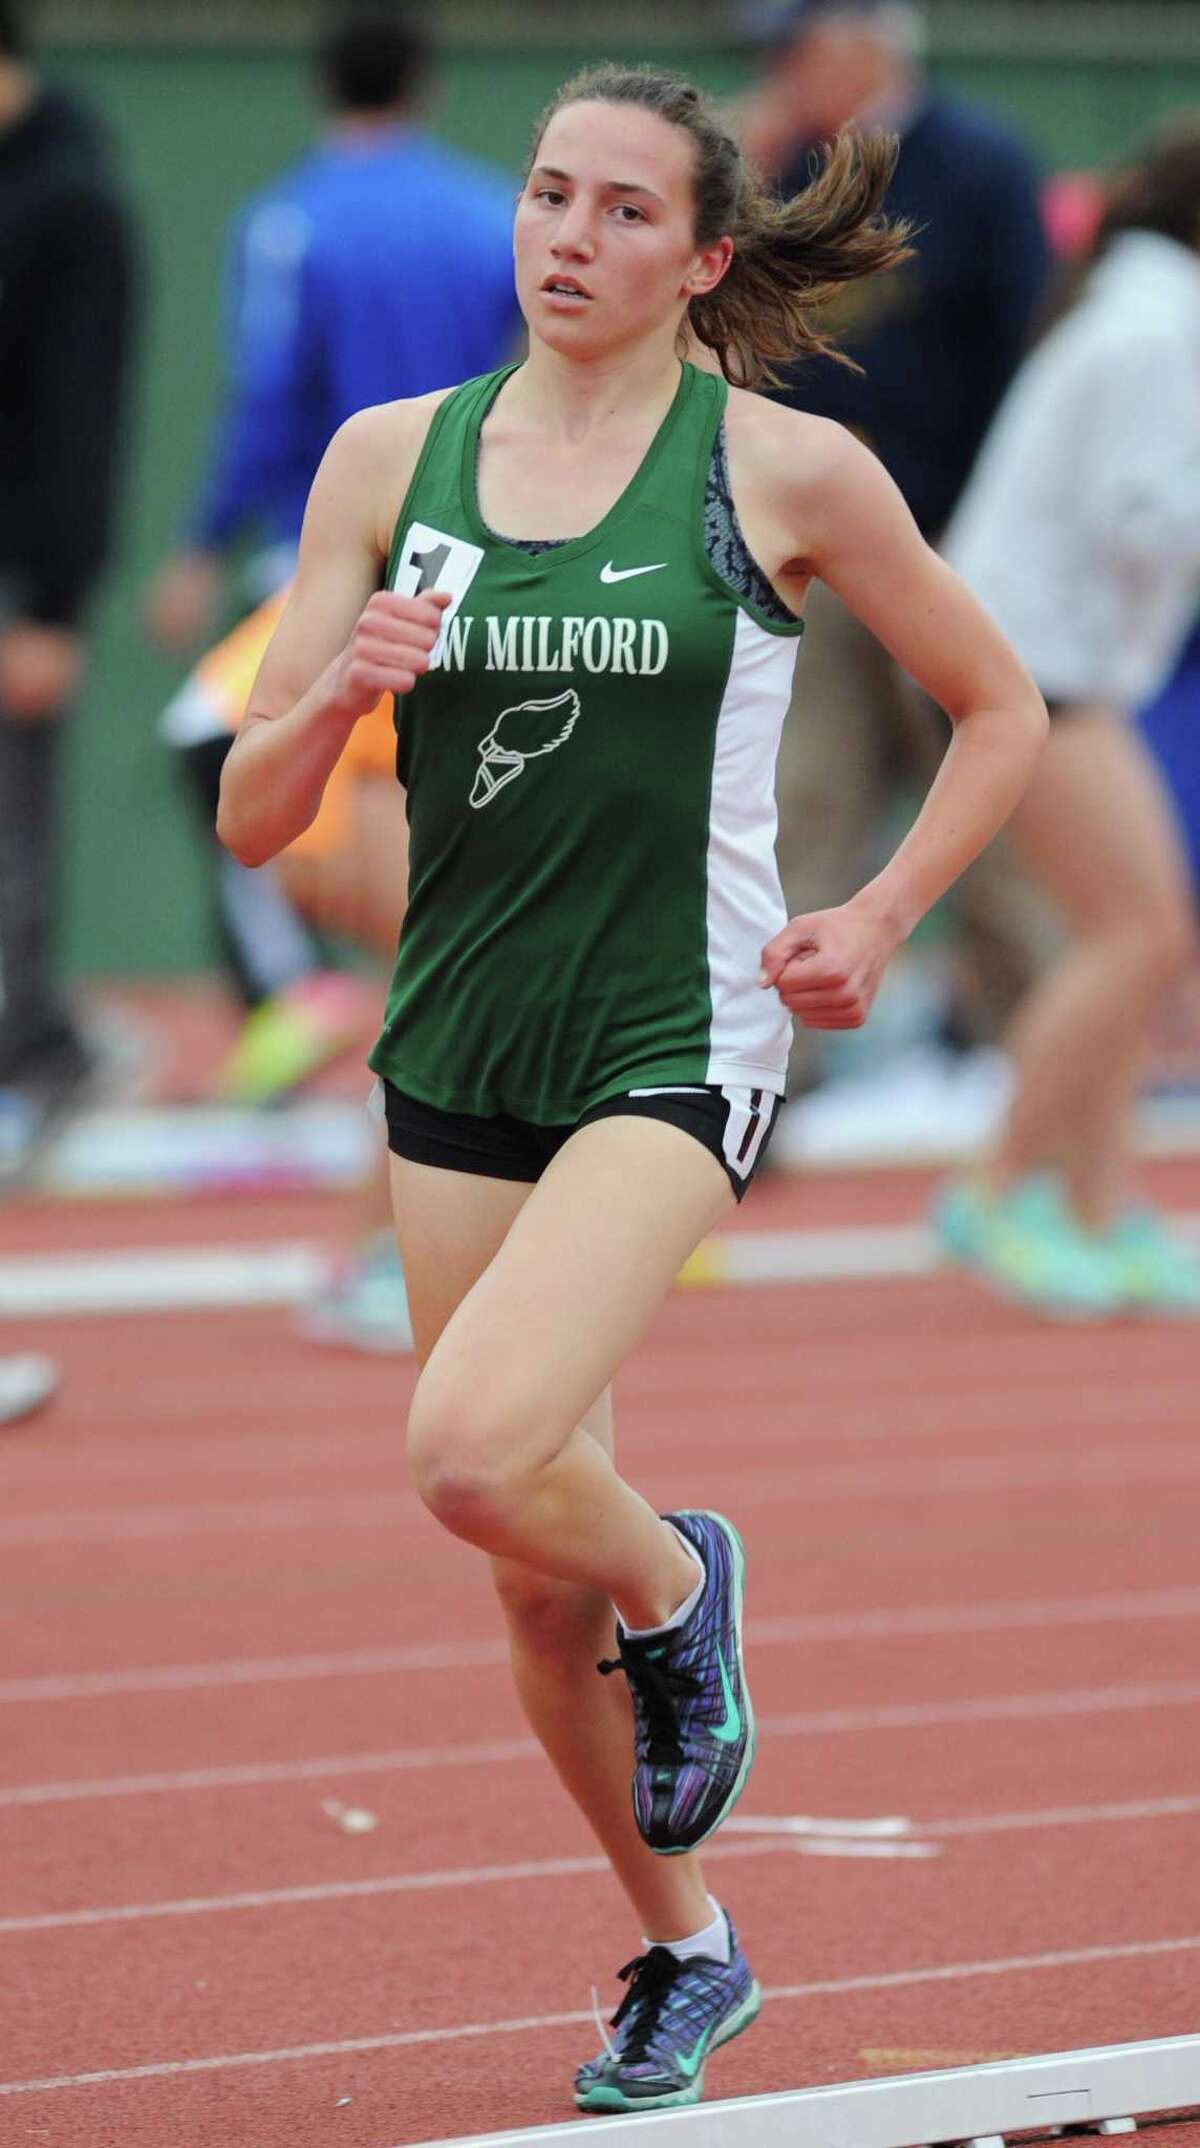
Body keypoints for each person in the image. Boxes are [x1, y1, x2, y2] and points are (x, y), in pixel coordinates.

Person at [218, 65, 1045, 2111]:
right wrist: (336, 691)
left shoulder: (777, 472)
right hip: (457, 1040)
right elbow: (251, 820)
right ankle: (690, 1946)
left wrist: (878, 917)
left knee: (472, 1448)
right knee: (517, 1567)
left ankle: (686, 1579)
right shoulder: (386, 464)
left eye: (616, 210)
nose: (566, 238)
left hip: (674, 1039)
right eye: (546, 196)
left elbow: (1000, 707)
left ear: (702, 256)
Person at [146, 3, 521, 1106]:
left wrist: (202, 546)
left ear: (322, 87)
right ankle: (460, 1020)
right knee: (415, 800)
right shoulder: (483, 216)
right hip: (472, 550)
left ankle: (296, 992)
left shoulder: (288, 225)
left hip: (337, 553)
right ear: (424, 84)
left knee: (215, 736)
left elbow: (267, 403)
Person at [736, 0, 1051, 1146]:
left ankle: (1047, 1057)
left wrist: (990, 534)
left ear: (868, 42)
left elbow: (1029, 352)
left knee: (995, 818)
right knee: (801, 800)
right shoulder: (779, 173)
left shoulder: (975, 166)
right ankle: (777, 1069)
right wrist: (744, 169)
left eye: (796, 48)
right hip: (810, 566)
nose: (779, 73)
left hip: (948, 552)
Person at [935, 118, 1200, 1316]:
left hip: (1038, 654)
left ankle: (1097, 1206)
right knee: (1138, 933)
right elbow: (1143, 514)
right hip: (1028, 664)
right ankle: (998, 1191)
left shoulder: (1145, 315)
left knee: (1137, 931)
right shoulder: (1162, 330)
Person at [171, 586, 414, 1350]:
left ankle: (390, 1259)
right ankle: (384, 1263)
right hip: (278, 728)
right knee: (455, 993)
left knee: (460, 991)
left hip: (278, 718)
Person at [0, 0, 137, 1174]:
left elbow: (81, 414)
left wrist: (53, 602)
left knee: (11, 817)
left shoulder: (72, 199)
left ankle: (30, 1056)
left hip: (16, 577)